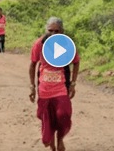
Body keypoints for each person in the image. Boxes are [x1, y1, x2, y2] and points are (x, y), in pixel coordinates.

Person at [29, 17, 80, 151]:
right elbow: (32, 64)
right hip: (44, 90)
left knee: (63, 115)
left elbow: (76, 62)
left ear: (62, 31)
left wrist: (73, 84)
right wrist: (32, 87)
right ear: (46, 30)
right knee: (47, 120)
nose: (53, 34)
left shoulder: (67, 44)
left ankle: (60, 139)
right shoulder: (39, 44)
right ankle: (53, 147)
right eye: (50, 31)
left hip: (61, 89)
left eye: (56, 31)